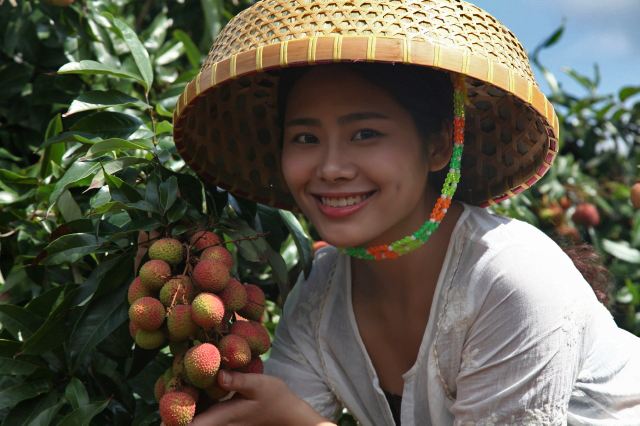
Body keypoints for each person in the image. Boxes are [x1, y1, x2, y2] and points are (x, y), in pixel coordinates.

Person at [174, 1, 640, 424]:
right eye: (305, 139)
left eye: (365, 134)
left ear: (438, 146)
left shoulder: (512, 280)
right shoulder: (320, 291)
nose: (331, 168)